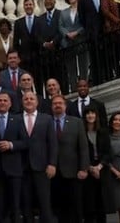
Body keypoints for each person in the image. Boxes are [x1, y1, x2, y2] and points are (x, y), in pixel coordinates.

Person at [51, 94, 90, 223]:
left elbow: (83, 147)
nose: (57, 105)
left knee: (76, 207)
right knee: (59, 208)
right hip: (54, 173)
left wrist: (83, 168)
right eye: (55, 103)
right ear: (51, 106)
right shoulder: (47, 122)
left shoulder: (76, 122)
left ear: (65, 106)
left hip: (74, 172)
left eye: (60, 103)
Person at [19, 90, 57, 223]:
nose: (29, 101)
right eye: (26, 99)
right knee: (26, 203)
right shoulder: (16, 119)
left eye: (31, 99)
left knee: (44, 202)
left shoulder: (46, 119)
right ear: (22, 102)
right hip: (22, 168)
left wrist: (52, 164)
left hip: (42, 166)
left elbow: (52, 143)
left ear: (37, 102)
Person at [0, 91, 24, 223]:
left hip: (14, 168)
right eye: (0, 100)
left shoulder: (18, 119)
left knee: (15, 205)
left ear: (10, 104)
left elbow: (26, 142)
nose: (2, 103)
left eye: (5, 101)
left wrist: (11, 144)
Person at [82, 107, 110, 223]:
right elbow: (79, 151)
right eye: (88, 113)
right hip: (87, 170)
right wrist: (90, 168)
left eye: (92, 113)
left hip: (102, 170)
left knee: (101, 205)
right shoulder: (81, 132)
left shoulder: (103, 132)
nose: (90, 115)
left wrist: (99, 167)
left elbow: (108, 153)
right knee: (89, 205)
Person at [78, 0, 104, 83]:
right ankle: (96, 78)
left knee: (106, 54)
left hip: (104, 29)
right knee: (94, 57)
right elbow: (81, 16)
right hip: (91, 32)